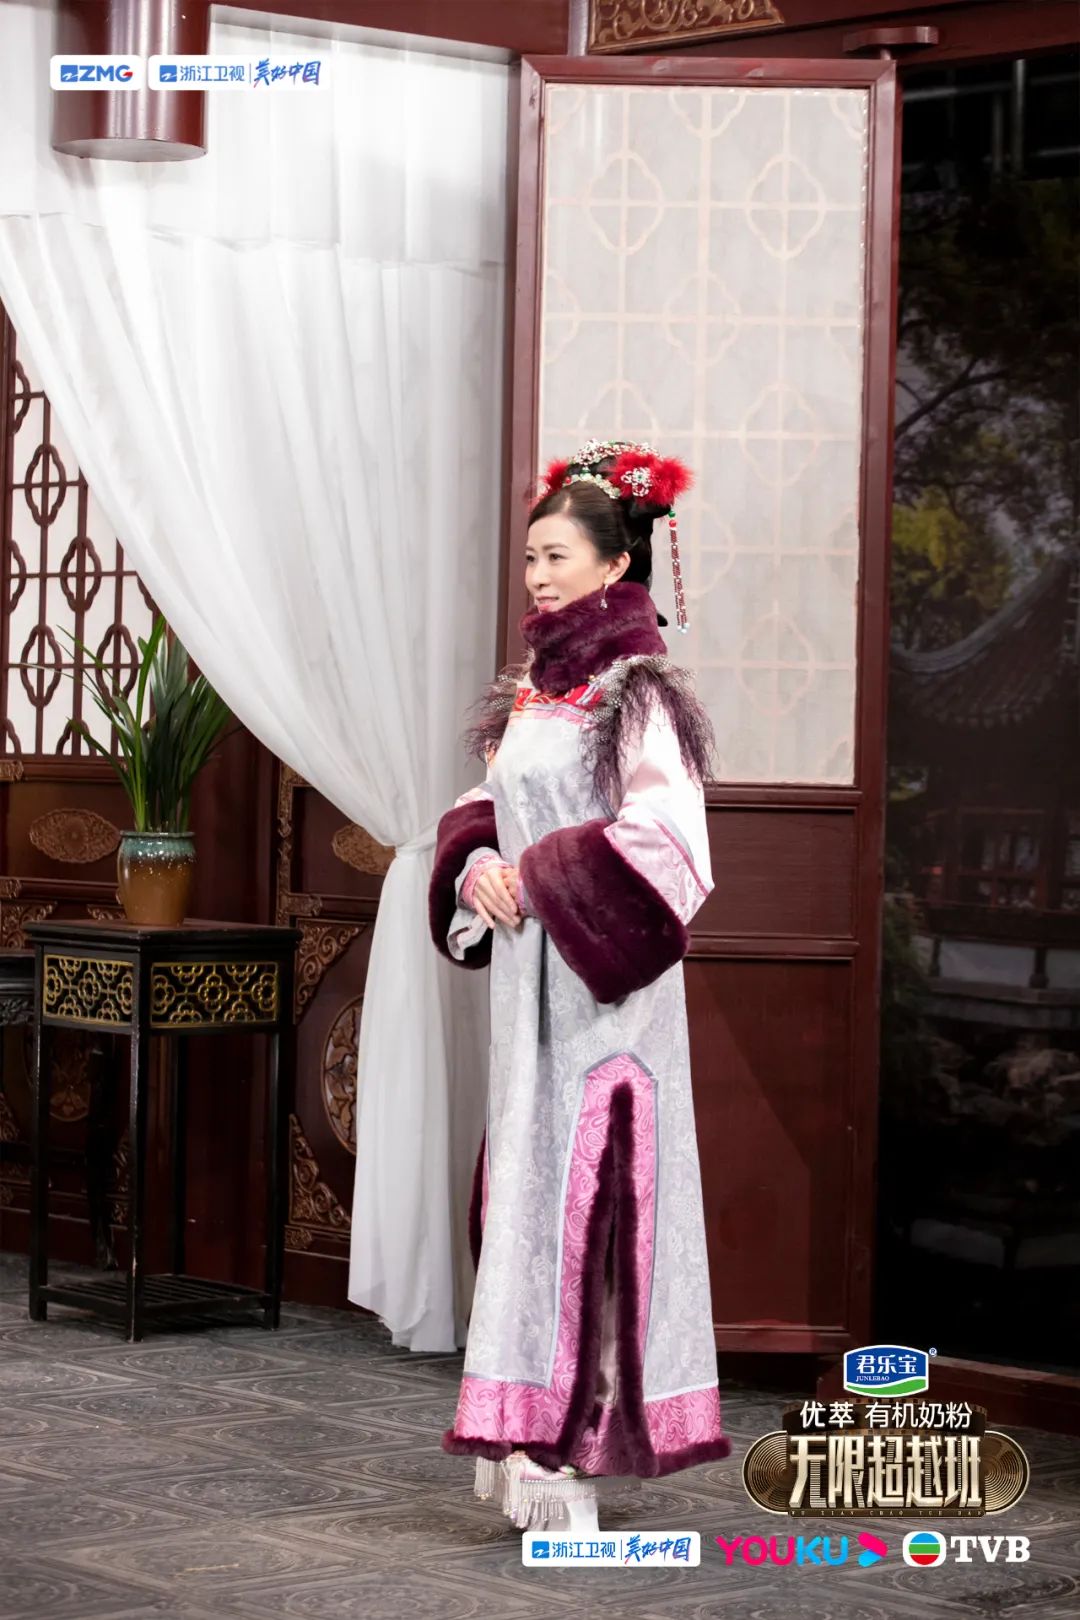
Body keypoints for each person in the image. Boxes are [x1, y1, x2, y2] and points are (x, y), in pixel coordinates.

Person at [428, 438, 731, 1533]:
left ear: (615, 564)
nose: (539, 576)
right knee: (523, 1195)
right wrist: (478, 865)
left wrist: (543, 874)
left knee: (596, 1202)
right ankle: (521, 1431)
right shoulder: (535, 689)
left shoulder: (637, 694)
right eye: (531, 558)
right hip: (528, 987)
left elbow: (670, 841)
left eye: (557, 556)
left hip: (606, 1004)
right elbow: (486, 804)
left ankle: (574, 1444)